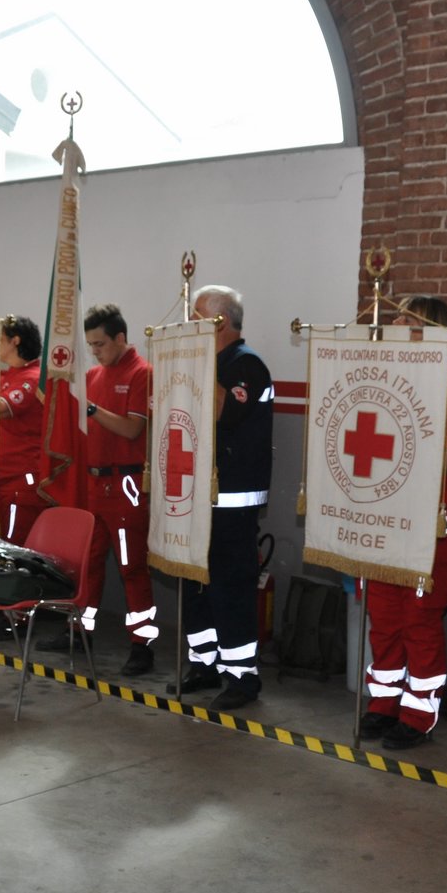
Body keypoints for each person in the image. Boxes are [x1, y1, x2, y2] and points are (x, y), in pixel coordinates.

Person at [360, 297, 447, 749]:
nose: (395, 323)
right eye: (396, 317)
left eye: (406, 319)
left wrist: (407, 448)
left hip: (429, 530)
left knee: (420, 623)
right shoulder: (385, 382)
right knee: (383, 620)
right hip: (385, 524)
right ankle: (382, 703)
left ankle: (418, 714)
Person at [168, 285, 273, 711]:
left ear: (220, 322)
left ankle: (242, 677)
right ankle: (204, 663)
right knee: (194, 585)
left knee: (231, 588)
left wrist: (199, 367)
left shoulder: (246, 365)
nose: (190, 323)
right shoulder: (205, 362)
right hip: (193, 497)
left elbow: (224, 412)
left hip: (232, 501)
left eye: (198, 317)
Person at [40, 304, 157, 675]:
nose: (96, 352)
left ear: (121, 338)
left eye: (101, 344)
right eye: (90, 345)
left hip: (124, 483)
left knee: (131, 567)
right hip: (92, 483)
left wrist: (89, 409)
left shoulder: (142, 373)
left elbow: (131, 429)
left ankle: (143, 644)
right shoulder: (91, 374)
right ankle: (80, 629)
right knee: (86, 564)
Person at [0, 315, 46, 542]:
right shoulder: (10, 374)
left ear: (15, 341)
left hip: (19, 482)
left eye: (0, 339)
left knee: (11, 549)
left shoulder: (33, 378)